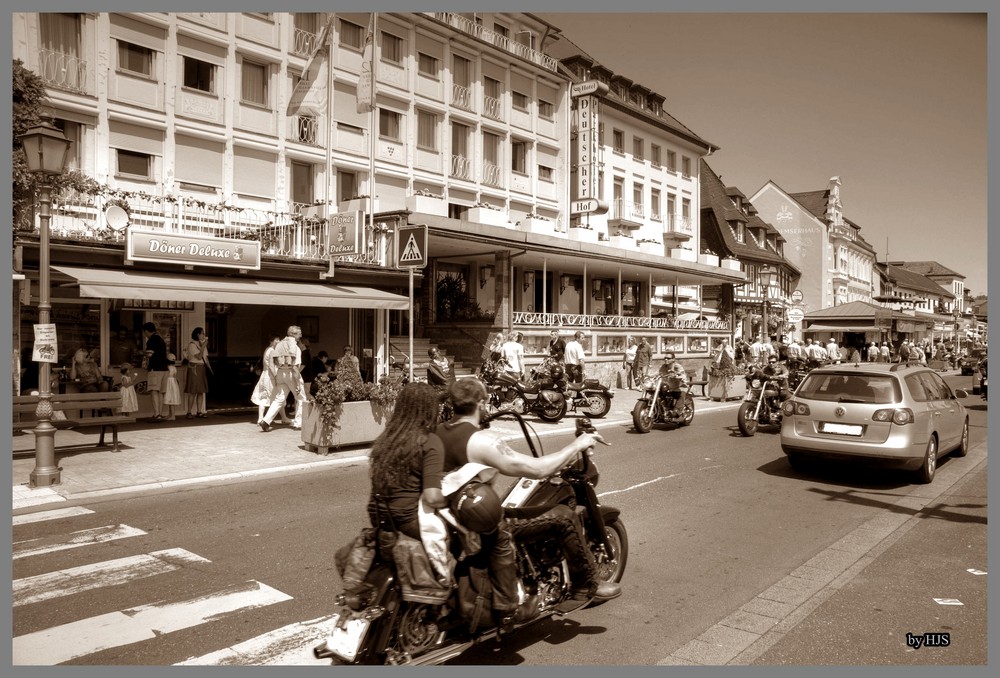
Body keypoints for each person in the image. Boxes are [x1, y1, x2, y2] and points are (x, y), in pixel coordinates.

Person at [437, 378, 622, 620]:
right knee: (565, 518)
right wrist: (578, 444)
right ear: (481, 404)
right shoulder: (479, 440)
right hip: (482, 523)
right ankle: (587, 584)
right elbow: (537, 469)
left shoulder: (439, 431)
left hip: (455, 518)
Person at [367, 382, 448, 540]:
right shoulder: (429, 441)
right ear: (430, 410)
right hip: (407, 520)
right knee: (455, 534)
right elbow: (432, 497)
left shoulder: (388, 437)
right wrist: (451, 501)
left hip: (378, 514)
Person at [259, 325, 307, 432]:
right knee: (301, 398)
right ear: (293, 334)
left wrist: (276, 376)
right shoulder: (296, 347)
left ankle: (266, 421)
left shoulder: (279, 345)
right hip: (291, 373)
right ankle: (298, 423)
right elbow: (295, 367)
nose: (301, 336)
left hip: (280, 372)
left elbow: (273, 361)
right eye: (299, 334)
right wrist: (298, 384)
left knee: (279, 398)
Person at [251, 336, 292, 425]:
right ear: (271, 341)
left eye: (279, 339)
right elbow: (271, 366)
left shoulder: (269, 349)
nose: (278, 341)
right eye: (276, 339)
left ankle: (282, 417)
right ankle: (261, 418)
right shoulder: (271, 351)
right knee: (268, 396)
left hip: (267, 375)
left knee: (275, 396)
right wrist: (276, 376)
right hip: (270, 376)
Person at [142, 322, 169, 421]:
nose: (144, 334)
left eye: (144, 332)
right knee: (161, 392)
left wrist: (142, 353)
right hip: (164, 369)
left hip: (155, 369)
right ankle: (160, 413)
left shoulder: (151, 340)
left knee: (154, 391)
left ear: (146, 331)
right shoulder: (161, 338)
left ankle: (156, 414)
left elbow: (149, 354)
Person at [183, 326, 212, 419]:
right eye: (202, 333)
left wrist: (210, 369)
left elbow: (205, 358)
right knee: (193, 391)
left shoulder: (202, 344)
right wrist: (203, 345)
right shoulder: (192, 345)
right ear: (198, 334)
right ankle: (189, 411)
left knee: (201, 391)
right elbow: (199, 356)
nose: (204, 335)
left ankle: (199, 411)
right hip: (194, 368)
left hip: (202, 367)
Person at [163, 353, 181, 421]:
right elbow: (175, 376)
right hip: (173, 383)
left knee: (170, 399)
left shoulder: (167, 368)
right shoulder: (174, 367)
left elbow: (167, 376)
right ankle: (170, 414)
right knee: (171, 399)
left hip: (169, 383)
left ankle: (172, 415)